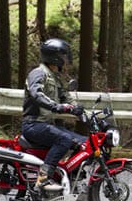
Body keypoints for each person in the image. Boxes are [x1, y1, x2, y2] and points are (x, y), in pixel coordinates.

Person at [22, 38, 86, 192]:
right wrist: (56, 106)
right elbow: (36, 94)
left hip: (47, 125)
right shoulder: (37, 73)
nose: (66, 61)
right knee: (64, 139)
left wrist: (80, 110)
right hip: (33, 125)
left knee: (83, 142)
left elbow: (66, 97)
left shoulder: (54, 78)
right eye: (64, 57)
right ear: (55, 58)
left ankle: (71, 178)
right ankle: (43, 180)